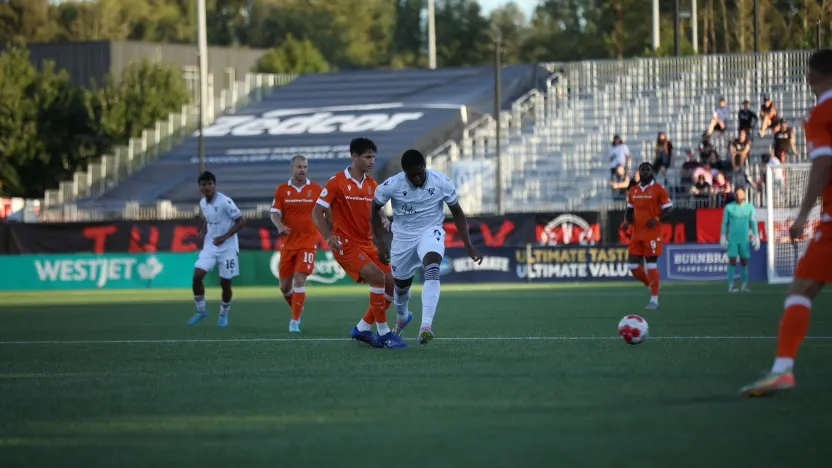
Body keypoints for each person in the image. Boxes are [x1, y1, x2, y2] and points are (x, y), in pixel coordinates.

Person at [741, 48, 832, 397]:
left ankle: (782, 371)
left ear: (812, 75)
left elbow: (822, 164)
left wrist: (803, 214)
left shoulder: (821, 113)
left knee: (800, 290)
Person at [370, 150, 482, 345]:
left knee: (433, 266)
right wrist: (380, 244)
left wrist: (468, 245)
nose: (416, 178)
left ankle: (426, 326)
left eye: (419, 173)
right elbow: (374, 207)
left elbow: (457, 212)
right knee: (401, 288)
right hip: (403, 238)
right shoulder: (392, 184)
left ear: (424, 167)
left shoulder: (441, 181)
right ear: (404, 172)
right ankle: (402, 318)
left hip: (430, 231)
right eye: (411, 175)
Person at [312, 138, 403, 348]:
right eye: (367, 157)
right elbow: (317, 211)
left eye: (373, 157)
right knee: (378, 277)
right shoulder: (336, 182)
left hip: (367, 244)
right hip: (346, 244)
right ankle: (383, 333)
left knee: (392, 283)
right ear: (354, 157)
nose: (372, 161)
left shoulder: (373, 186)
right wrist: (328, 236)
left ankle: (362, 328)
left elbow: (378, 210)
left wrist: (383, 218)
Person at [270, 155, 323, 333]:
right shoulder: (282, 189)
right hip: (288, 244)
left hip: (308, 242)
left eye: (305, 167)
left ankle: (294, 321)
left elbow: (326, 210)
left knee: (299, 279)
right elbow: (274, 213)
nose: (302, 170)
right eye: (299, 167)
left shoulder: (316, 189)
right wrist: (279, 226)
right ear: (291, 168)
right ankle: (297, 306)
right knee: (284, 287)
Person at [188, 171, 245, 327]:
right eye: (203, 184)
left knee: (225, 284)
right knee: (197, 276)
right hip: (211, 246)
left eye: (210, 184)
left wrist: (224, 237)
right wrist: (203, 231)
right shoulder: (203, 203)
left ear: (214, 185)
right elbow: (209, 219)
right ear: (199, 187)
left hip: (228, 248)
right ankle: (201, 311)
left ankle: (223, 315)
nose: (207, 187)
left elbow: (241, 221)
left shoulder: (225, 201)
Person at [623, 162, 673, 310]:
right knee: (632, 265)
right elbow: (629, 210)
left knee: (651, 264)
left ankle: (654, 300)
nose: (645, 172)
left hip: (652, 233)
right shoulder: (633, 190)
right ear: (639, 172)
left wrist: (656, 219)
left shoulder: (659, 189)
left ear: (652, 172)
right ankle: (650, 285)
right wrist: (626, 221)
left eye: (648, 170)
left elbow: (668, 209)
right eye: (642, 170)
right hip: (637, 233)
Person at [720, 187, 760, 292]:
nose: (738, 196)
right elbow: (724, 223)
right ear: (734, 195)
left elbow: (753, 222)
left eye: (740, 194)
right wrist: (723, 236)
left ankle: (744, 285)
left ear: (744, 195)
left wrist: (756, 236)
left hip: (744, 239)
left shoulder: (750, 207)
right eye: (737, 194)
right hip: (732, 239)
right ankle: (731, 286)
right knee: (732, 261)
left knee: (744, 261)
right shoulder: (729, 207)